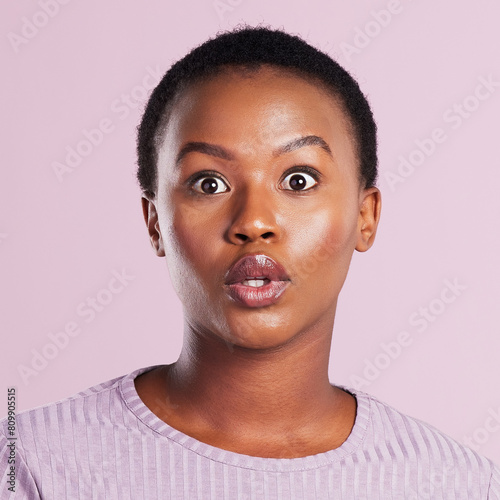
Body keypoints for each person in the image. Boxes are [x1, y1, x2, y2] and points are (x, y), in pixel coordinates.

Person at [1, 25, 499, 499]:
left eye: (299, 180)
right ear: (155, 222)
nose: (254, 221)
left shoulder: (458, 484)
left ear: (364, 218)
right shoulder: (27, 459)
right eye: (209, 183)